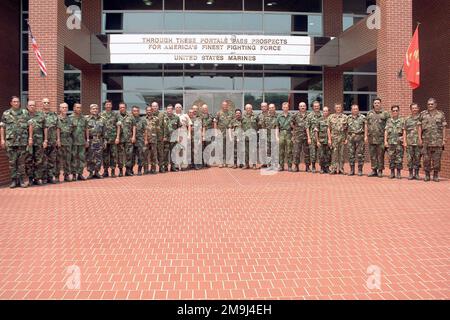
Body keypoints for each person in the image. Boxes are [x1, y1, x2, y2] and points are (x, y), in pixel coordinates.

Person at [0, 96, 30, 188]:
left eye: (18, 101)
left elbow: (30, 125)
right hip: (11, 142)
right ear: (11, 103)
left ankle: (21, 180)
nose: (16, 103)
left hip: (22, 142)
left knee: (21, 162)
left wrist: (30, 138)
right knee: (12, 162)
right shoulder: (6, 113)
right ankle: (13, 180)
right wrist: (2, 139)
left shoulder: (25, 113)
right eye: (14, 101)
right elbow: (2, 127)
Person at [419, 98, 447, 182]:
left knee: (437, 160)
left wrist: (444, 139)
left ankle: (435, 175)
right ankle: (427, 175)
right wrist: (419, 139)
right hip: (426, 142)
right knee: (426, 160)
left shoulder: (441, 115)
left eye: (432, 104)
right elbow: (419, 127)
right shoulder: (423, 114)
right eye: (428, 104)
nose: (430, 105)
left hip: (437, 141)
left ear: (435, 104)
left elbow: (444, 127)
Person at [365, 98, 390, 177]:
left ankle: (380, 171)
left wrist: (386, 139)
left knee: (380, 155)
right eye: (375, 103)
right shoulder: (369, 113)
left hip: (381, 138)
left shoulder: (385, 113)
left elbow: (388, 126)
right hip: (371, 138)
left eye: (378, 103)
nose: (376, 104)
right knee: (372, 155)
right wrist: (365, 135)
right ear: (373, 104)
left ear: (380, 104)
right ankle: (374, 170)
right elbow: (366, 125)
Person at [25, 100, 46, 185]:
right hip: (27, 142)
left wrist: (45, 140)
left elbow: (45, 128)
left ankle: (37, 178)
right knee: (28, 160)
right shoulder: (24, 116)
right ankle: (30, 178)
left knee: (39, 160)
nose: (32, 107)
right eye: (30, 105)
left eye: (33, 105)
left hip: (39, 141)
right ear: (27, 106)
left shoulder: (41, 115)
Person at [100, 100, 120, 178]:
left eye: (109, 104)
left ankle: (113, 171)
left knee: (113, 155)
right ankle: (105, 171)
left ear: (111, 106)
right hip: (104, 139)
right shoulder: (101, 114)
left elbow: (118, 126)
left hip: (113, 138)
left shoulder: (115, 114)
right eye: (107, 105)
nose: (108, 106)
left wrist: (117, 137)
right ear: (105, 106)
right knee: (105, 155)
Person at [70, 103, 89, 181]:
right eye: (77, 107)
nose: (79, 109)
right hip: (73, 141)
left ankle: (80, 174)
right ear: (74, 108)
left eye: (80, 108)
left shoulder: (84, 118)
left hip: (81, 141)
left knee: (81, 158)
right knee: (74, 158)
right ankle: (74, 174)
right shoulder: (70, 118)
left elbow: (86, 129)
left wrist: (87, 139)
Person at [384, 105, 405, 179]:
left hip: (399, 142)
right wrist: (385, 141)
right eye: (393, 111)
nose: (395, 112)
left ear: (398, 111)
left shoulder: (402, 120)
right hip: (391, 142)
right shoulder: (389, 120)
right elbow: (386, 131)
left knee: (399, 158)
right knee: (391, 158)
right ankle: (392, 173)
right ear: (391, 112)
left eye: (396, 110)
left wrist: (404, 141)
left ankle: (398, 173)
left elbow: (404, 131)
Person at [86, 104, 106, 179]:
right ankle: (91, 172)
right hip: (91, 140)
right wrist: (86, 140)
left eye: (96, 109)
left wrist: (105, 141)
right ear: (90, 110)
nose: (95, 110)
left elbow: (104, 131)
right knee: (90, 157)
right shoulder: (87, 119)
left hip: (99, 140)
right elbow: (85, 131)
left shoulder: (102, 119)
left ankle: (97, 172)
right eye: (93, 109)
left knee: (98, 157)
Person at [327, 103, 348, 175]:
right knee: (334, 154)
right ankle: (333, 169)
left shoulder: (345, 117)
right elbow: (328, 129)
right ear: (334, 108)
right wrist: (329, 139)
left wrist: (346, 138)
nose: (338, 109)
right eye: (337, 107)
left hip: (342, 138)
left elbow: (347, 129)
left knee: (341, 154)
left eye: (339, 107)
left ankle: (341, 168)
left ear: (341, 108)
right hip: (334, 138)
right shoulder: (330, 117)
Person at [117, 102, 136, 177]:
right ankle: (121, 171)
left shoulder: (131, 116)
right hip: (120, 140)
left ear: (126, 108)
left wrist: (134, 136)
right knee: (120, 155)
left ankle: (128, 170)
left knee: (129, 155)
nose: (122, 108)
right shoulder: (116, 116)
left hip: (129, 139)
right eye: (120, 107)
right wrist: (117, 137)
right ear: (119, 108)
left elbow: (134, 127)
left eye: (123, 107)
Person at [291, 102, 311, 172]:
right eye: (301, 106)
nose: (302, 107)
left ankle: (307, 167)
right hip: (298, 137)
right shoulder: (295, 115)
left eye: (304, 106)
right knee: (296, 152)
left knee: (307, 152)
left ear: (306, 107)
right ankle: (296, 166)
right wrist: (295, 131)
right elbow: (292, 124)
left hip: (306, 137)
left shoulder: (309, 115)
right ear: (299, 107)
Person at [347, 104, 366, 176]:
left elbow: (366, 126)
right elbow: (345, 128)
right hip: (351, 137)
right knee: (351, 154)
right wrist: (346, 138)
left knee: (360, 154)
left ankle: (360, 170)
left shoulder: (362, 117)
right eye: (353, 109)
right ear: (351, 110)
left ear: (358, 110)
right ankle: (352, 170)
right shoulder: (348, 118)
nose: (355, 110)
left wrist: (365, 136)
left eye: (356, 109)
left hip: (360, 137)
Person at [403, 103, 421, 180]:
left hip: (418, 142)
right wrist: (404, 141)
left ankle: (416, 173)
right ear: (410, 109)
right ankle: (410, 173)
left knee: (417, 158)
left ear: (418, 108)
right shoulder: (407, 119)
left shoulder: (421, 118)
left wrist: (421, 140)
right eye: (413, 108)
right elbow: (404, 131)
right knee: (409, 158)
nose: (414, 109)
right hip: (409, 142)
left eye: (415, 108)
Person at [42, 98, 58, 184]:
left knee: (52, 160)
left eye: (48, 103)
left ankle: (51, 177)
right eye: (45, 102)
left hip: (52, 141)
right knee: (43, 160)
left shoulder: (54, 115)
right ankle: (44, 177)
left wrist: (57, 139)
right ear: (42, 104)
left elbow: (57, 127)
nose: (46, 104)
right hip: (43, 142)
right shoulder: (39, 115)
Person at [56, 103, 72, 182]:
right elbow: (57, 129)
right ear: (60, 109)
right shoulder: (57, 118)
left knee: (67, 159)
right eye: (63, 107)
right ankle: (57, 176)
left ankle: (66, 175)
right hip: (60, 141)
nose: (65, 109)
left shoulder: (69, 119)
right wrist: (58, 140)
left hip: (68, 141)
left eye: (66, 107)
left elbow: (71, 130)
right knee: (59, 159)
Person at [215, 100, 234, 168]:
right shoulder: (219, 113)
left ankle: (227, 162)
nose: (225, 106)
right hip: (221, 133)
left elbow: (233, 122)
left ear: (227, 106)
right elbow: (215, 122)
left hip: (229, 133)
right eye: (223, 105)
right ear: (222, 106)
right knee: (220, 148)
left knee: (228, 148)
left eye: (226, 105)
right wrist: (216, 131)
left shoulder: (231, 113)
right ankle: (221, 162)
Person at [163, 104, 181, 172]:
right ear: (166, 110)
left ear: (172, 110)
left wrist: (179, 137)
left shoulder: (176, 117)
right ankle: (165, 167)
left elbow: (179, 128)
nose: (169, 110)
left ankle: (173, 167)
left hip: (174, 138)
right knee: (165, 153)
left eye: (170, 109)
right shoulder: (163, 117)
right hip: (166, 138)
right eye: (168, 109)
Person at [130, 106, 147, 176]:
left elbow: (145, 130)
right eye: (134, 111)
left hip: (140, 140)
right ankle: (130, 170)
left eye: (137, 111)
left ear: (139, 112)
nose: (136, 112)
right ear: (132, 111)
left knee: (141, 156)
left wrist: (146, 140)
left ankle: (139, 170)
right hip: (131, 140)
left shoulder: (142, 120)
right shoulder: (129, 119)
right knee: (131, 155)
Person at [314, 106, 331, 174]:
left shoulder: (331, 119)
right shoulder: (319, 120)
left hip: (329, 141)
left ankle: (327, 168)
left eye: (326, 111)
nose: (325, 112)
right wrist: (317, 141)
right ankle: (322, 168)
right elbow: (316, 131)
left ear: (328, 112)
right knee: (321, 155)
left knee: (328, 155)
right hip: (321, 140)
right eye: (324, 111)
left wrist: (330, 140)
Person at [150, 102, 166, 173]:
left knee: (160, 153)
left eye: (156, 106)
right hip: (152, 138)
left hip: (160, 137)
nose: (154, 107)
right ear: (151, 107)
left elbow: (165, 126)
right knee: (153, 153)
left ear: (158, 107)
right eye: (153, 106)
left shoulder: (162, 115)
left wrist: (165, 136)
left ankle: (161, 167)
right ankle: (153, 168)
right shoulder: (150, 115)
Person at [241, 104, 258, 169]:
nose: (248, 109)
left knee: (253, 151)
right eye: (247, 108)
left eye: (249, 108)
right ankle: (246, 164)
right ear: (245, 109)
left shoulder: (256, 117)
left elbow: (258, 126)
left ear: (251, 109)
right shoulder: (242, 117)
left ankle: (254, 164)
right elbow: (241, 126)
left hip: (253, 137)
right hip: (245, 137)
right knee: (246, 151)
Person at [175, 103, 191, 171]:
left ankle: (184, 165)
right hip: (175, 134)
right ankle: (176, 165)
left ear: (182, 108)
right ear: (175, 108)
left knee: (184, 149)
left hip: (184, 133)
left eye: (180, 107)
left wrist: (189, 134)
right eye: (177, 107)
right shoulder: (173, 115)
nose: (178, 108)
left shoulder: (185, 115)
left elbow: (189, 124)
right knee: (176, 150)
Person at [144, 105, 160, 174]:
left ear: (152, 111)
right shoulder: (143, 119)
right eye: (147, 110)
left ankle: (153, 169)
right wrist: (145, 139)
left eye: (150, 110)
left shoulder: (156, 119)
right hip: (145, 140)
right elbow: (142, 130)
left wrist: (158, 138)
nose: (149, 111)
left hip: (154, 139)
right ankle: (146, 169)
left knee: (153, 155)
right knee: (145, 155)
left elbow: (158, 129)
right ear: (146, 111)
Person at [307, 101, 322, 173]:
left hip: (322, 137)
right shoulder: (309, 116)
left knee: (321, 153)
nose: (316, 107)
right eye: (315, 106)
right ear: (313, 107)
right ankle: (313, 166)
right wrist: (309, 138)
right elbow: (307, 127)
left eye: (318, 106)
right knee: (313, 153)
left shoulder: (323, 115)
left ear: (319, 106)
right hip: (312, 137)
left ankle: (322, 167)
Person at [277, 102, 293, 171]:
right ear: (282, 108)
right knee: (281, 151)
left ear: (288, 108)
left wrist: (293, 136)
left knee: (289, 151)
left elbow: (294, 127)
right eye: (284, 107)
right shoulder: (279, 116)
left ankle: (289, 166)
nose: (285, 108)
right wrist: (276, 137)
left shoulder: (292, 116)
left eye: (286, 107)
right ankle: (281, 166)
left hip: (289, 134)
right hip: (281, 134)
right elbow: (277, 127)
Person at [264, 103, 279, 170]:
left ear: (274, 108)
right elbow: (263, 127)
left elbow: (279, 127)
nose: (271, 109)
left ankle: (276, 165)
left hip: (275, 137)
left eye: (272, 107)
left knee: (275, 151)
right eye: (270, 108)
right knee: (268, 152)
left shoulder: (278, 116)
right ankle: (269, 165)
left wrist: (277, 137)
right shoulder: (265, 117)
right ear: (268, 109)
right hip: (267, 137)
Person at [201, 104, 215, 168]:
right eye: (203, 108)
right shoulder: (199, 116)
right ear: (202, 109)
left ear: (207, 109)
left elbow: (214, 123)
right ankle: (202, 163)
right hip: (201, 135)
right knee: (201, 149)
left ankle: (207, 162)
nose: (205, 109)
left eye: (206, 108)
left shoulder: (211, 116)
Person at [190, 106, 203, 170]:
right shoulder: (188, 118)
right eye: (194, 109)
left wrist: (200, 138)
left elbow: (200, 129)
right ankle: (191, 164)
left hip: (196, 138)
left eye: (196, 109)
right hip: (189, 138)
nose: (195, 110)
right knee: (190, 151)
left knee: (196, 151)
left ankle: (196, 164)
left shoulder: (199, 119)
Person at [257, 102, 269, 167]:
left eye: (265, 106)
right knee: (262, 149)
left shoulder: (271, 115)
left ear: (267, 107)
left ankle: (269, 163)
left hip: (269, 134)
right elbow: (257, 125)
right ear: (261, 107)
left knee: (269, 149)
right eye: (262, 106)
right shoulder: (259, 116)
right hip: (262, 134)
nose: (263, 108)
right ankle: (264, 163)